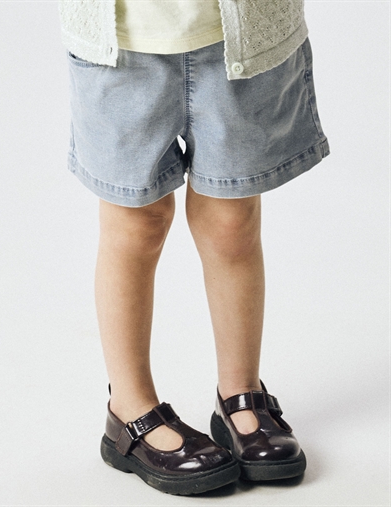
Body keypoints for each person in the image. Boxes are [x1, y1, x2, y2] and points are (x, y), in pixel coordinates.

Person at [58, 0, 330, 495]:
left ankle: (240, 393)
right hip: (122, 42)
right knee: (134, 223)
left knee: (232, 220)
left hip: (239, 33)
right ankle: (130, 409)